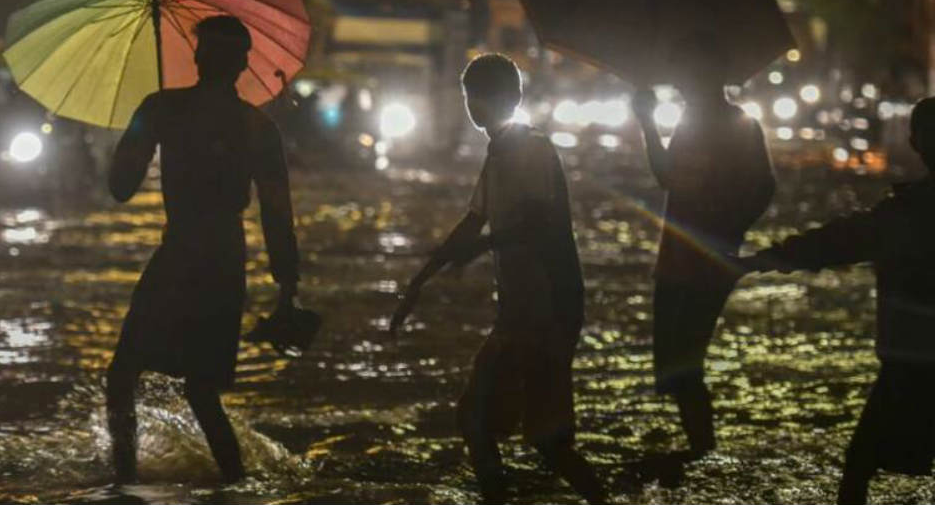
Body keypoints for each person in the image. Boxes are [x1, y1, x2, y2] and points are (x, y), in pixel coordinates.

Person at [390, 54, 609, 505]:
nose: (476, 106)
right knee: (486, 422)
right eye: (472, 96)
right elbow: (473, 221)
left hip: (548, 307)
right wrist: (420, 279)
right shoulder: (498, 155)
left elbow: (536, 222)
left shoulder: (532, 149)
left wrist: (482, 247)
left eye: (484, 96)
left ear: (512, 99)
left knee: (530, 434)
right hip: (519, 311)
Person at [105, 15, 300, 484]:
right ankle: (235, 482)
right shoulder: (258, 127)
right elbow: (277, 215)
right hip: (225, 261)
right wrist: (287, 290)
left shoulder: (161, 109)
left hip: (179, 256)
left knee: (121, 378)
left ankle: (124, 481)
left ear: (197, 59)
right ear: (242, 65)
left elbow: (119, 188)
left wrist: (142, 128)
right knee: (202, 390)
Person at [740, 97, 935, 505]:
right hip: (908, 362)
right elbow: (837, 240)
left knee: (859, 467)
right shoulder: (902, 211)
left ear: (915, 143)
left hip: (912, 364)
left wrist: (763, 260)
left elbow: (835, 241)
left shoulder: (905, 213)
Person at [631, 34, 775, 457]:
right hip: (675, 260)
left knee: (684, 362)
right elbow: (668, 177)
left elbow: (764, 187)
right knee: (672, 366)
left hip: (706, 264)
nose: (680, 83)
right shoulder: (689, 122)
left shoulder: (740, 124)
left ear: (710, 76)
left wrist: (728, 235)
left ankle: (702, 451)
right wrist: (647, 123)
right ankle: (700, 449)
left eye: (686, 74)